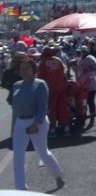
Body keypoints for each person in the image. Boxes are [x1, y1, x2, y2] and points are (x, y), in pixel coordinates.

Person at [12, 57, 65, 190]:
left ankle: (58, 176)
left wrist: (36, 123)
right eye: (22, 69)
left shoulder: (40, 84)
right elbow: (15, 107)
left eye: (27, 68)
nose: (24, 71)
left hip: (37, 122)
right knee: (18, 155)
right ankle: (21, 188)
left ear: (33, 70)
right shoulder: (16, 85)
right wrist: (13, 125)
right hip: (20, 122)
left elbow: (42, 107)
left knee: (42, 152)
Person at [37, 45, 70, 136]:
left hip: (50, 89)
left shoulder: (42, 63)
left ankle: (52, 128)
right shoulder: (58, 60)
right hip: (61, 87)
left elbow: (40, 78)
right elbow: (64, 71)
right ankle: (66, 127)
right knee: (63, 108)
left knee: (52, 109)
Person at [76, 44, 96, 129]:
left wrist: (89, 69)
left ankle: (92, 119)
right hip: (83, 85)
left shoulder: (90, 58)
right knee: (83, 103)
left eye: (83, 51)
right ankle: (83, 119)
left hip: (91, 83)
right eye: (81, 52)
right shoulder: (79, 60)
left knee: (90, 101)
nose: (82, 53)